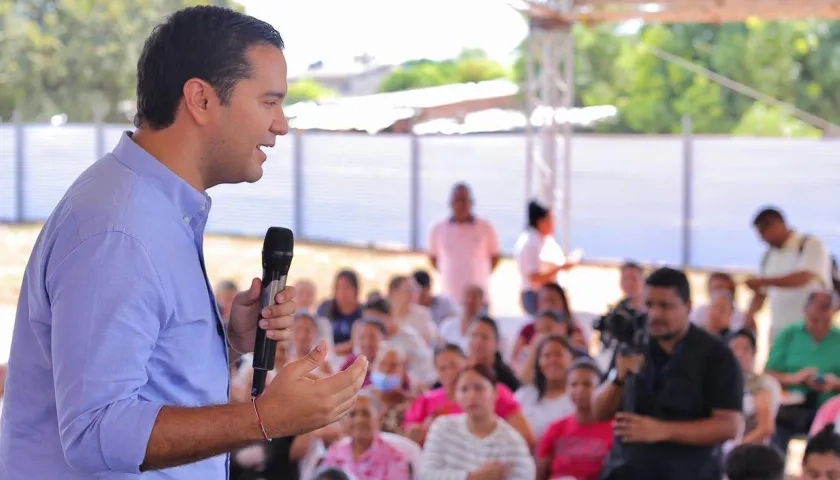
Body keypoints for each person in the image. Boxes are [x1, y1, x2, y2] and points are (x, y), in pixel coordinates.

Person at [0, 7, 368, 479]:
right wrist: (266, 419)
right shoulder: (121, 230)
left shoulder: (150, 209)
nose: (282, 125)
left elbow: (148, 379)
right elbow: (95, 432)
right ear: (201, 99)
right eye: (269, 102)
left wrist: (226, 343)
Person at [593, 267, 744, 480]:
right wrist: (617, 379)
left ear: (688, 307)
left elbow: (729, 426)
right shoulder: (633, 343)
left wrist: (662, 430)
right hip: (626, 470)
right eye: (649, 305)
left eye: (665, 306)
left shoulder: (717, 356)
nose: (655, 314)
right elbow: (598, 413)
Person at [514, 200, 577, 315]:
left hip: (548, 293)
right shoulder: (531, 243)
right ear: (541, 221)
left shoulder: (543, 240)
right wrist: (561, 268)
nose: (554, 224)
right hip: (536, 296)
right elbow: (534, 277)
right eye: (551, 219)